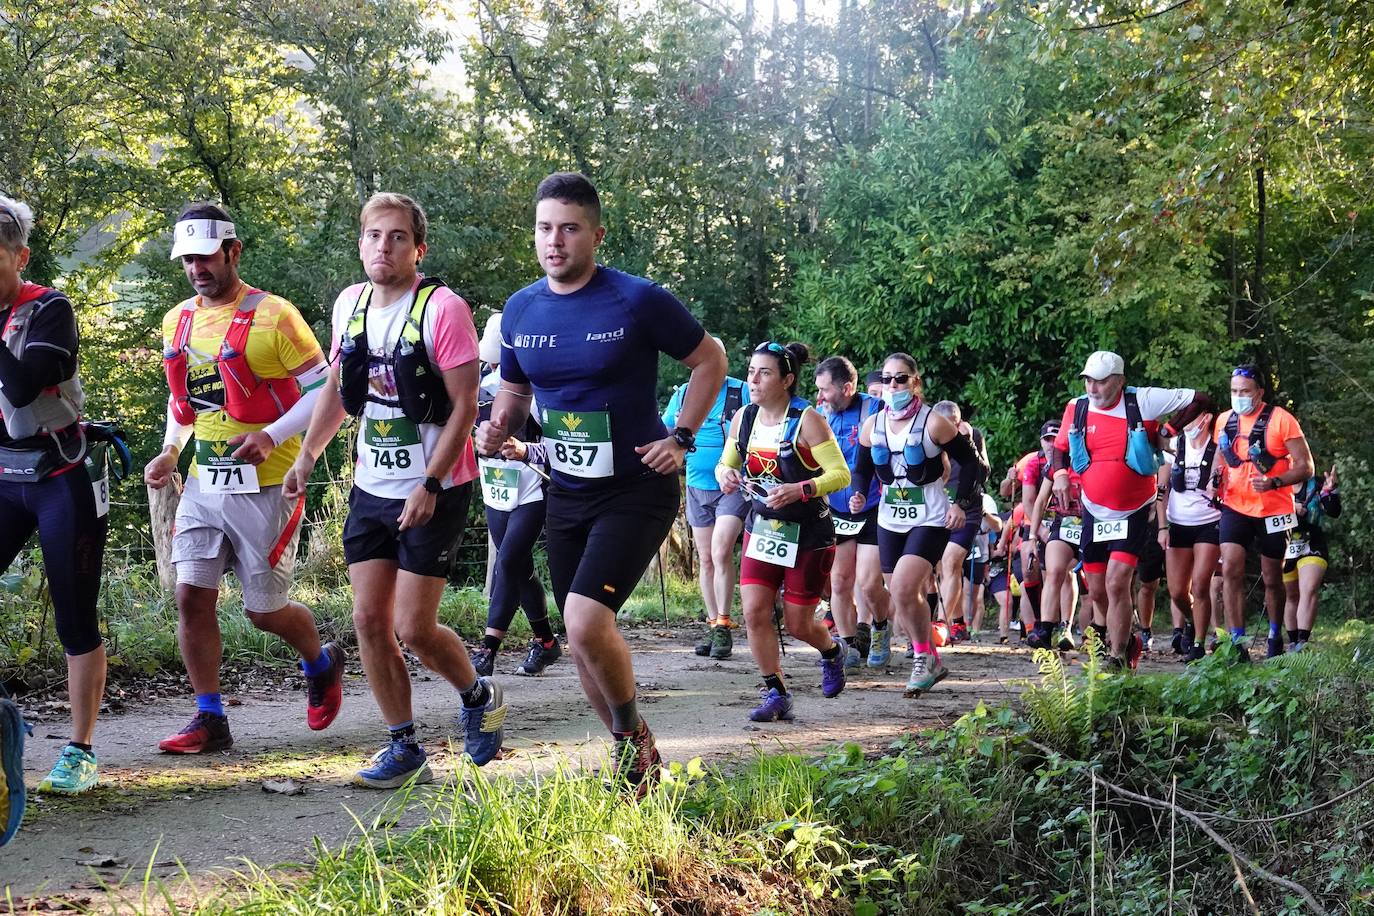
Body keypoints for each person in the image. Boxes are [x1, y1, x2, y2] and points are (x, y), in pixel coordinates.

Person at [474, 173, 727, 797]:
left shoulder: (636, 299)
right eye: (543, 228)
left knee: (586, 623)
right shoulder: (521, 308)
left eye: (569, 228)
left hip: (636, 485)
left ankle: (632, 736)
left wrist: (682, 437)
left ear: (595, 233)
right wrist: (498, 425)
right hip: (566, 488)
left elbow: (710, 360)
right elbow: (514, 388)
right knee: (581, 637)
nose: (554, 241)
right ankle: (631, 755)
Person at [283, 192, 504, 787]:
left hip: (434, 486)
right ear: (361, 244)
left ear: (417, 247)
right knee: (368, 621)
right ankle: (404, 746)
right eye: (375, 236)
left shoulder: (442, 309)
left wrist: (430, 481)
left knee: (413, 626)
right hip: (371, 484)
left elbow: (463, 407)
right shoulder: (349, 304)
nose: (385, 246)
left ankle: (478, 695)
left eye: (398, 237)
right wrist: (307, 455)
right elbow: (337, 386)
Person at [145, 203, 341, 754]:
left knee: (263, 611)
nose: (196, 269)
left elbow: (327, 393)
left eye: (206, 257)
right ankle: (210, 717)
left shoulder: (276, 316)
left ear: (233, 251)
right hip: (207, 480)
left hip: (270, 483)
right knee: (191, 596)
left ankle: (321, 664)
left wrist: (272, 436)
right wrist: (169, 452)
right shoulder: (177, 320)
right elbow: (184, 400)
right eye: (188, 260)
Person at [0, 196, 106, 794]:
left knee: (73, 614)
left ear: (21, 257)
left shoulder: (49, 310)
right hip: (4, 476)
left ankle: (81, 749)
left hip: (61, 477)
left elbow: (18, 386)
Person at [717, 343, 851, 720]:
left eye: (764, 373)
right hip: (764, 529)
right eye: (751, 371)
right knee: (755, 611)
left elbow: (841, 475)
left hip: (809, 532)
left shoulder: (807, 419)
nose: (753, 379)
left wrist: (801, 488)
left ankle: (831, 652)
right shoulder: (745, 417)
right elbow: (725, 463)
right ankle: (775, 693)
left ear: (787, 380)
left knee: (797, 624)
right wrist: (725, 474)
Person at [1050, 351, 1205, 671]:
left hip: (1135, 509)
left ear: (1120, 381)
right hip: (1093, 509)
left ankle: (1117, 654)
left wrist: (1169, 432)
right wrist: (1060, 475)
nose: (1093, 388)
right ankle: (1127, 638)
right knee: (1096, 589)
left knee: (1118, 581)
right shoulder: (1076, 407)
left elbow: (1199, 400)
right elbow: (1060, 450)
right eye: (1088, 380)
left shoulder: (1143, 401)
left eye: (1102, 381)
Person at [850, 354, 983, 696]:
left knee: (906, 588)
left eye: (901, 378)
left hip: (931, 515)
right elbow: (862, 468)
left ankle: (922, 657)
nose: (893, 385)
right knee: (902, 593)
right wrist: (859, 494)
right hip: (889, 517)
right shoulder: (872, 425)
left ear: (915, 382)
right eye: (888, 378)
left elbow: (971, 463)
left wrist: (960, 503)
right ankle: (929, 656)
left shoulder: (934, 423)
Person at [471, 313, 562, 678]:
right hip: (494, 489)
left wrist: (525, 449)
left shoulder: (535, 389)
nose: (494, 364)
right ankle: (547, 643)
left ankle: (487, 648)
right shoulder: (475, 384)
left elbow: (559, 445)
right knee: (519, 567)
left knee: (507, 561)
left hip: (531, 488)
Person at [1215, 365, 1313, 659]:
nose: (1238, 397)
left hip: (1274, 508)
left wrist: (1275, 482)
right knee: (1231, 567)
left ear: (1259, 392)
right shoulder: (1224, 420)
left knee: (1272, 577)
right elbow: (1221, 459)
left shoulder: (1282, 420)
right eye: (1234, 391)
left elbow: (1307, 467)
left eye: (1244, 391)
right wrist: (1214, 479)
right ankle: (1237, 641)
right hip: (1235, 505)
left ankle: (1274, 634)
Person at [663, 341, 750, 660]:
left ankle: (725, 624)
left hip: (732, 485)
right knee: (706, 557)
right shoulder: (684, 393)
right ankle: (715, 626)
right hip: (697, 485)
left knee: (720, 549)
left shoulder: (740, 391)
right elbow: (666, 428)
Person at [814, 355, 893, 668]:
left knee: (870, 584)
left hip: (872, 507)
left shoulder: (874, 411)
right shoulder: (820, 415)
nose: (821, 397)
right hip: (836, 509)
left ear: (847, 388)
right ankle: (848, 646)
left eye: (826, 390)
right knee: (840, 581)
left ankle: (881, 627)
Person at [1159, 399, 1221, 662]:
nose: (1185, 425)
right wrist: (1162, 527)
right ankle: (1191, 620)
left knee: (1201, 583)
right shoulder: (1174, 448)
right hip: (1178, 523)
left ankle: (1197, 643)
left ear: (1205, 419)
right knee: (1177, 591)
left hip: (1209, 521)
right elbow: (1161, 492)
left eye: (1189, 418)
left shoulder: (1219, 446)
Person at [931, 400, 990, 643]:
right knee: (939, 567)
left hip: (968, 506)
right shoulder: (929, 433)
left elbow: (985, 472)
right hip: (938, 504)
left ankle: (941, 624)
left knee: (951, 561)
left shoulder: (973, 435)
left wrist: (970, 445)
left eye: (953, 427)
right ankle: (957, 623)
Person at [1282, 465, 1340, 652]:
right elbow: (1263, 517)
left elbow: (1333, 511)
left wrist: (1330, 491)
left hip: (1313, 542)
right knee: (1291, 595)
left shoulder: (1316, 484)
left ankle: (1302, 641)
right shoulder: (1276, 485)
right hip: (1285, 545)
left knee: (1308, 588)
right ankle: (1291, 642)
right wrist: (1291, 509)